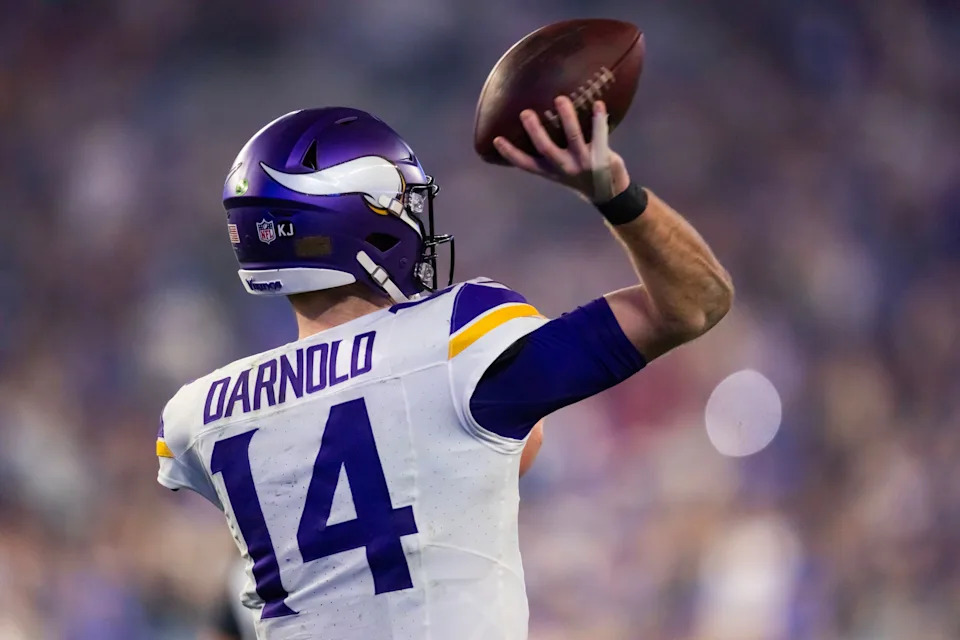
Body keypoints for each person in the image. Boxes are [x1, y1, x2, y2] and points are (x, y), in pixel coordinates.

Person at [156, 96, 733, 640]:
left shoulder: (202, 416)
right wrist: (615, 193)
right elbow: (694, 301)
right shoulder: (457, 345)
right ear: (367, 220)